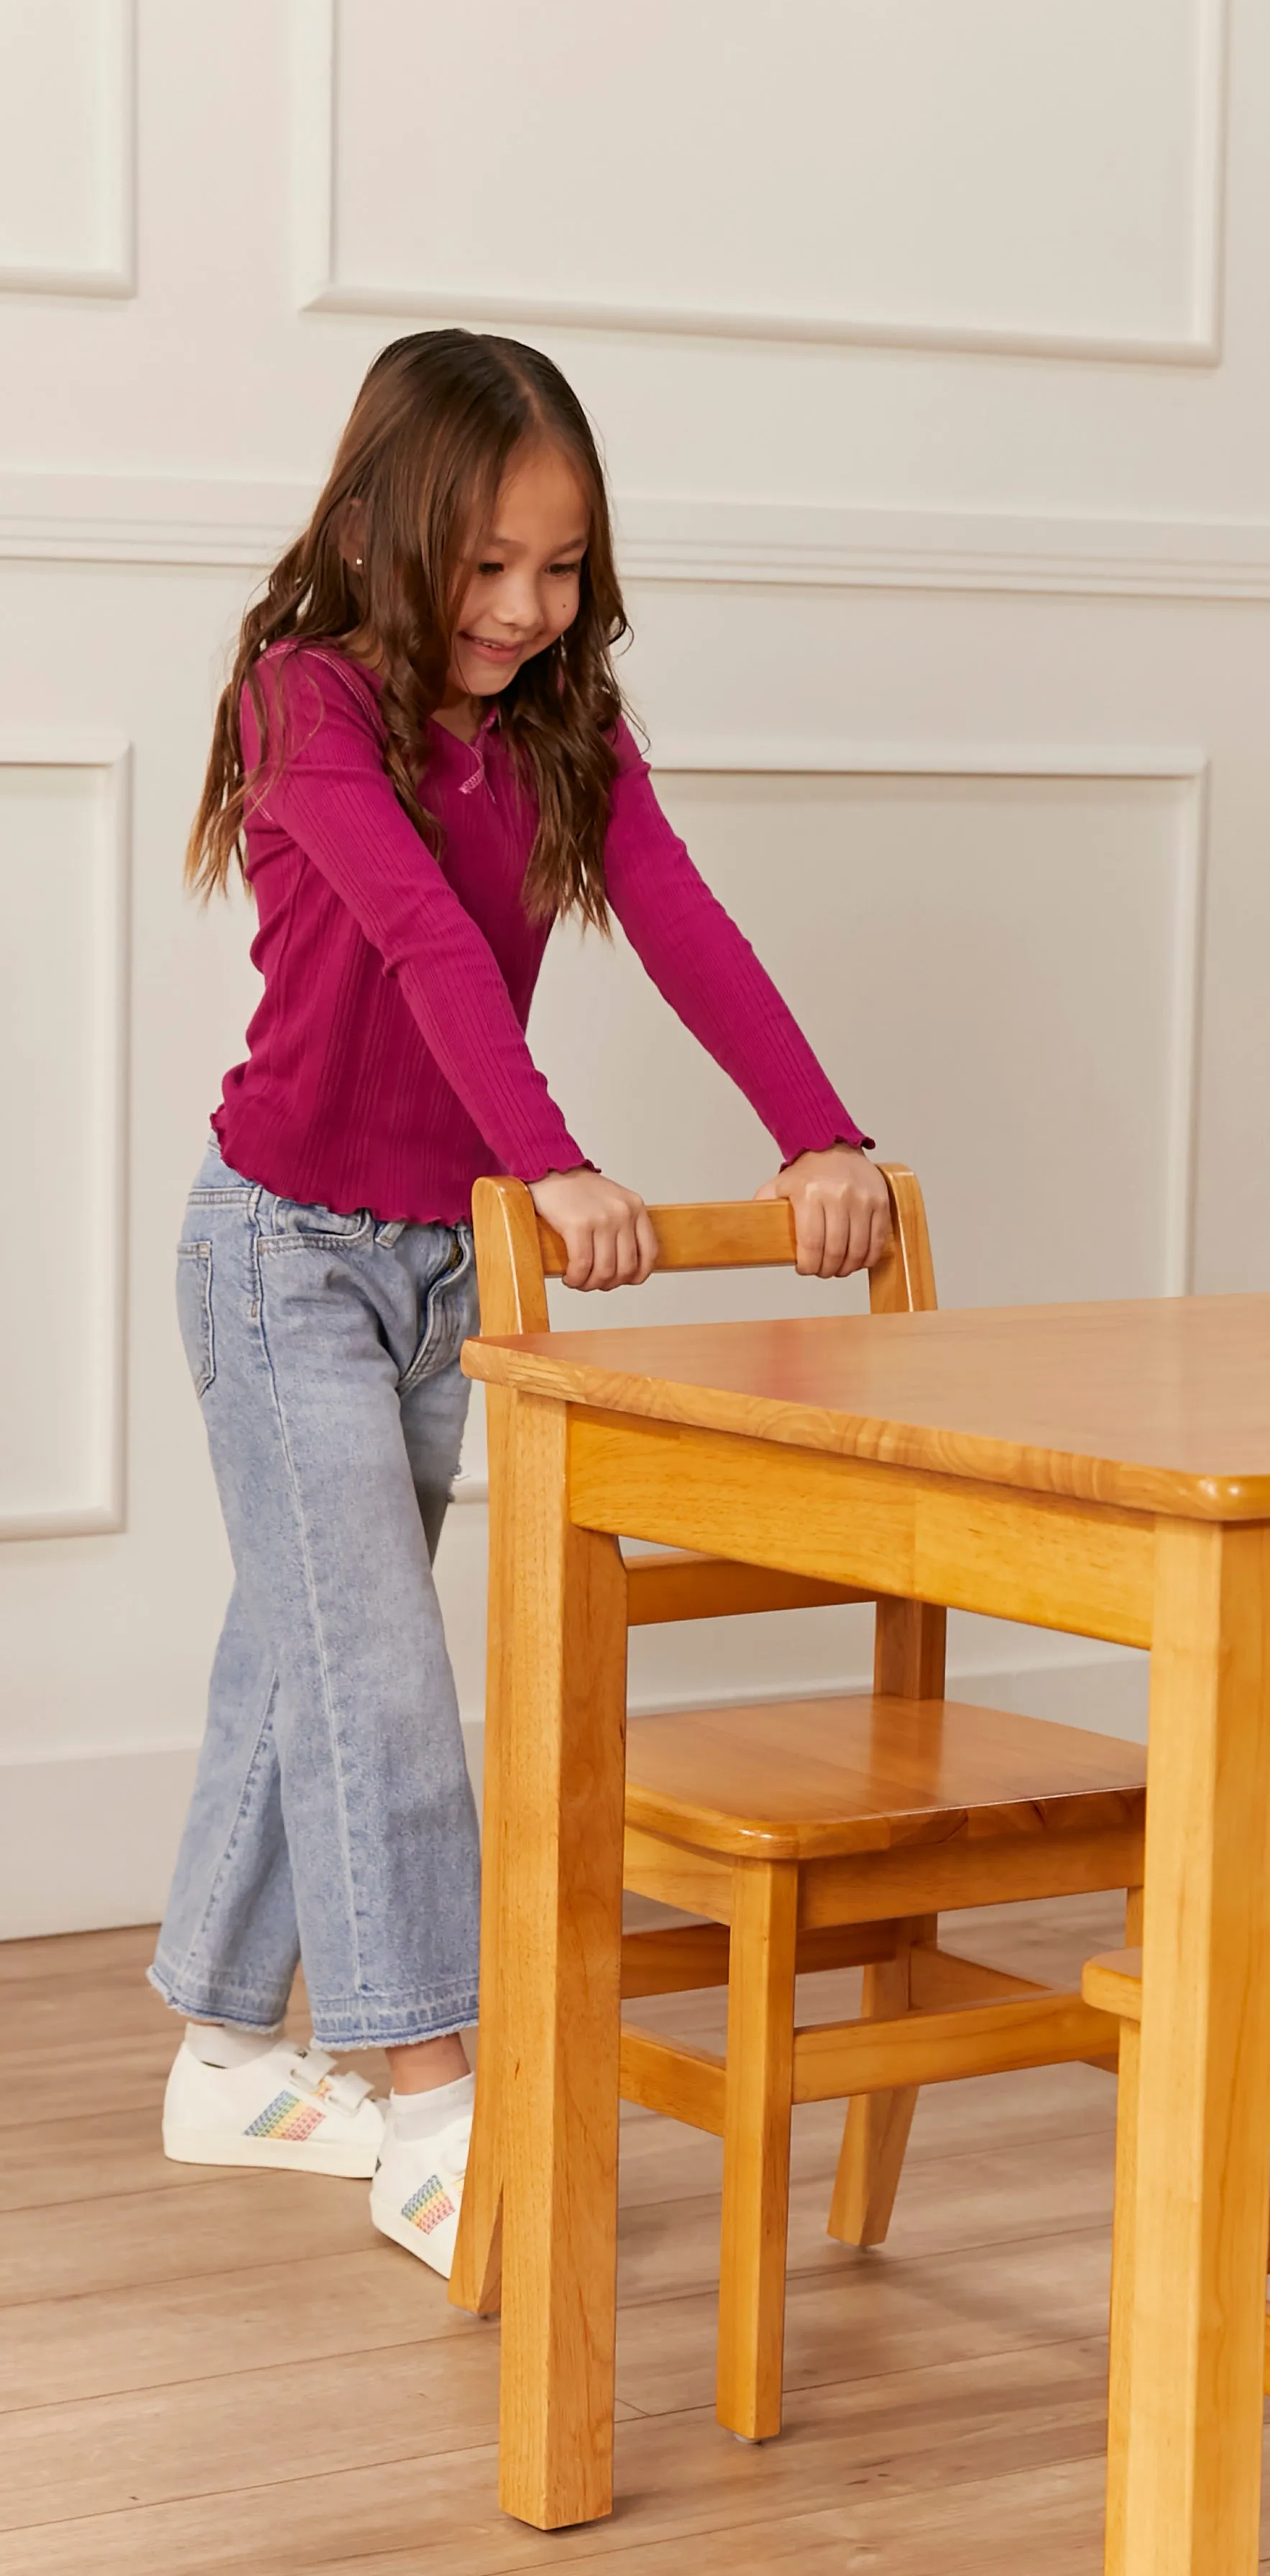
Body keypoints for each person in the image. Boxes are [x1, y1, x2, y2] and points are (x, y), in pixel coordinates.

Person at [154, 328, 890, 2279]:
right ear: (392, 532)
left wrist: (822, 1135)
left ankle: (226, 2051)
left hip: (434, 1269)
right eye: (485, 566)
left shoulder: (571, 727)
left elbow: (681, 919)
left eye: (560, 570)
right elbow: (410, 942)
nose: (523, 609)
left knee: (302, 1645)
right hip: (283, 1251)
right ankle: (431, 2099)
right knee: (377, 1672)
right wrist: (553, 1166)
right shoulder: (303, 700)